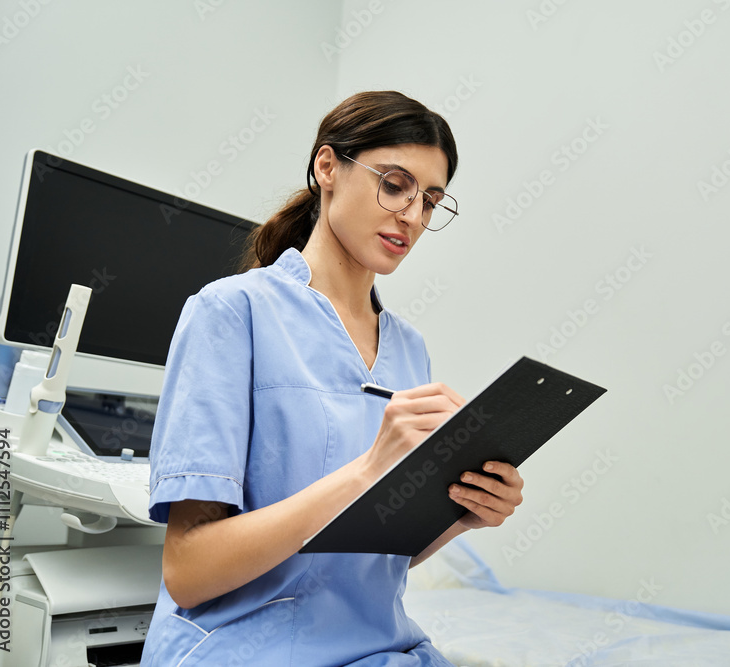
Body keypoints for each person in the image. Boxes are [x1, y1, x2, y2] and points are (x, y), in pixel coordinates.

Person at [141, 90, 524, 666]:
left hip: (380, 646)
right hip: (246, 649)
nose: (412, 217)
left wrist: (461, 516)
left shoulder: (409, 348)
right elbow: (189, 572)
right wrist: (368, 470)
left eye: (431, 201)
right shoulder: (231, 313)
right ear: (327, 168)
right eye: (395, 185)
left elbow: (368, 558)